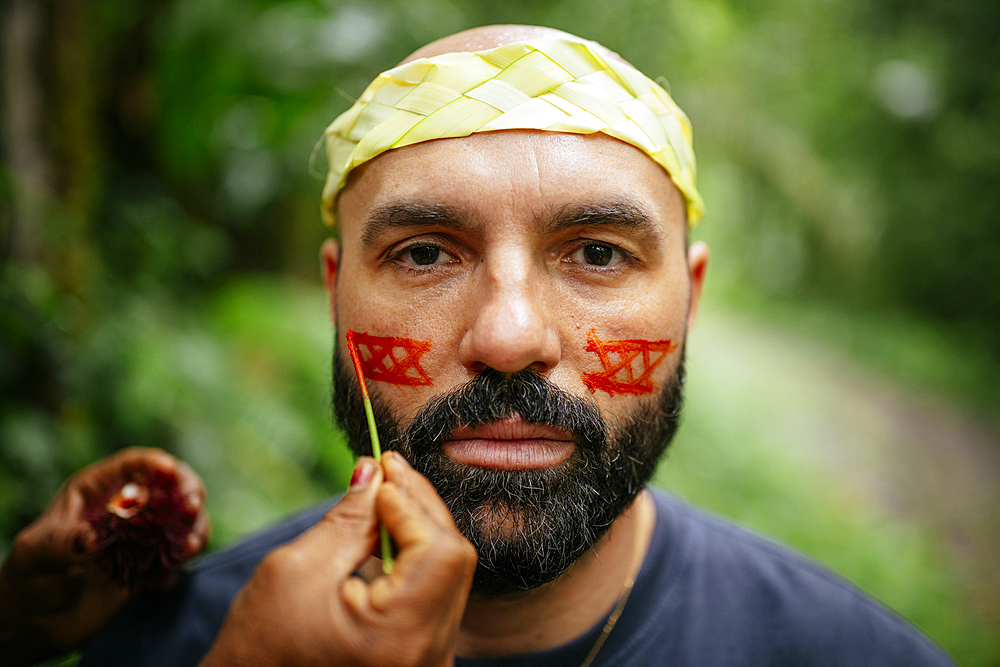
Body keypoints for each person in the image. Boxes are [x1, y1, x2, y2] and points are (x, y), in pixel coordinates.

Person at [1, 25, 953, 667]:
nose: (507, 337)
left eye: (595, 253)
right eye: (423, 253)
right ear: (336, 293)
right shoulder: (167, 640)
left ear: (689, 300)